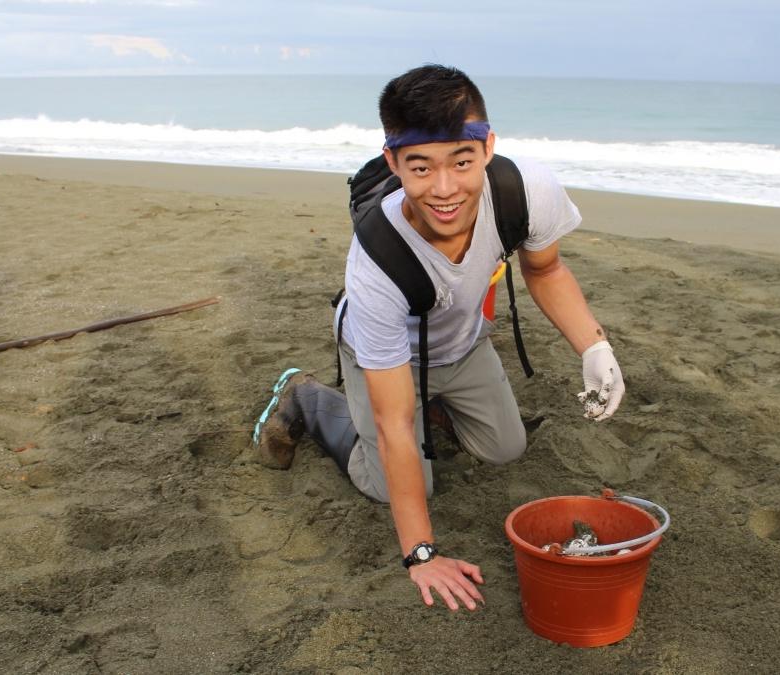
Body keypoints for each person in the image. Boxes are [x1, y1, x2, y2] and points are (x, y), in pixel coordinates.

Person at [254, 65, 625, 611]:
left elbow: (545, 271)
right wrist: (422, 554)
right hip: (384, 356)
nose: (445, 188)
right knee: (400, 484)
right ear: (393, 162)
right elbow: (393, 421)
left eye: (462, 161)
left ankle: (441, 407)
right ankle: (309, 398)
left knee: (506, 449)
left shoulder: (526, 189)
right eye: (421, 167)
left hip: (462, 340)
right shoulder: (376, 259)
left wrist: (595, 346)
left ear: (488, 147)